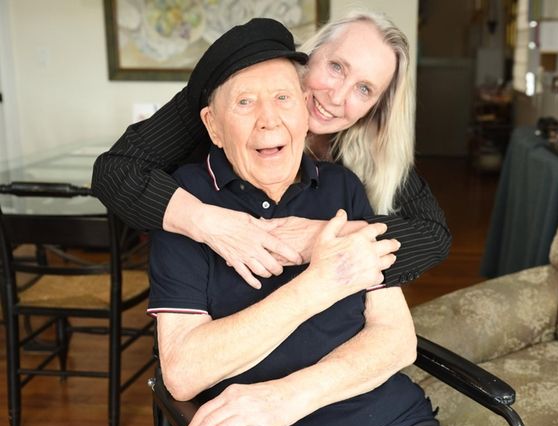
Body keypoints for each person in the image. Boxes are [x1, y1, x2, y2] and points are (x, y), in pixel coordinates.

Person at [149, 18, 441, 426]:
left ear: (303, 111)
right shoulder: (185, 201)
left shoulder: (345, 186)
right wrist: (319, 284)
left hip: (390, 419)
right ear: (213, 126)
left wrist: (285, 398)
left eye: (283, 99)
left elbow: (397, 339)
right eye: (246, 102)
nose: (269, 120)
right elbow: (182, 373)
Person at [91, 10, 450, 290]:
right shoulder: (226, 97)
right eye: (337, 67)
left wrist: (319, 236)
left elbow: (433, 235)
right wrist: (211, 222)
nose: (337, 97)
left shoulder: (365, 149)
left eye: (364, 90)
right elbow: (115, 171)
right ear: (310, 55)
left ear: (375, 108)